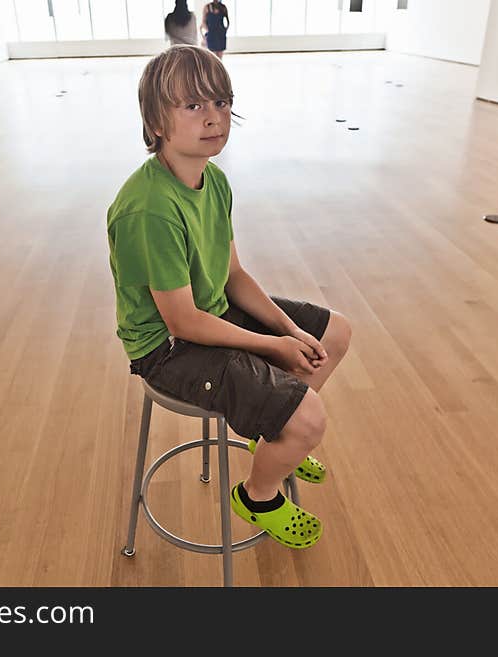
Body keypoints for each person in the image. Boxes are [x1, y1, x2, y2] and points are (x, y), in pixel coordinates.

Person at [106, 46, 353, 549]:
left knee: (335, 331)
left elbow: (233, 274)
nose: (214, 117)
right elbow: (182, 324)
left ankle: (277, 430)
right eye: (193, 106)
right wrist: (273, 348)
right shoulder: (149, 209)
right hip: (168, 349)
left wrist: (290, 330)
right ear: (155, 121)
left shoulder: (213, 181)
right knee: (309, 417)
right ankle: (258, 493)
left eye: (221, 102)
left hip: (209, 311)